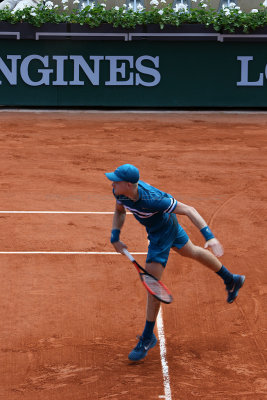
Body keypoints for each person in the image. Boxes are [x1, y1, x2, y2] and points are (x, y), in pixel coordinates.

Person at [105, 164, 245, 362]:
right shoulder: (120, 193)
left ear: (129, 185)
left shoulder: (153, 199)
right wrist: (115, 236)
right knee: (192, 251)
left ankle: (147, 337)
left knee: (153, 285)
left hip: (162, 234)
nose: (112, 183)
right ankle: (231, 279)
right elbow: (120, 211)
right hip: (163, 226)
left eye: (116, 181)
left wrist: (209, 236)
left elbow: (189, 209)